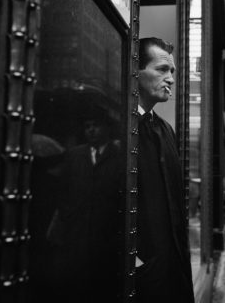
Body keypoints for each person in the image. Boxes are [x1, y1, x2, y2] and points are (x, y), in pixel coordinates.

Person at [135, 37, 195, 303]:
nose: (170, 78)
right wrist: (134, 259)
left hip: (170, 263)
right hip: (139, 271)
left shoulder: (164, 129)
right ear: (135, 71)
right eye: (161, 70)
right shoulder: (118, 126)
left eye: (171, 71)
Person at [47, 113, 122, 302]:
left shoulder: (120, 155)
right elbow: (64, 191)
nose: (91, 130)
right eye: (88, 126)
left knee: (104, 285)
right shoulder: (75, 155)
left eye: (96, 125)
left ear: (107, 128)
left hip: (108, 234)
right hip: (77, 233)